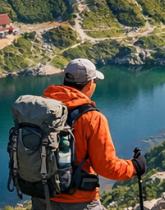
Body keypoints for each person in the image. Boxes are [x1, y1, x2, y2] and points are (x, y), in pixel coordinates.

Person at [32, 58, 147, 210]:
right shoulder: (91, 118)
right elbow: (106, 167)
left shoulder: (42, 108)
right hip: (77, 199)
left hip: (41, 195)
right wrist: (134, 167)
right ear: (89, 84)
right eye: (94, 82)